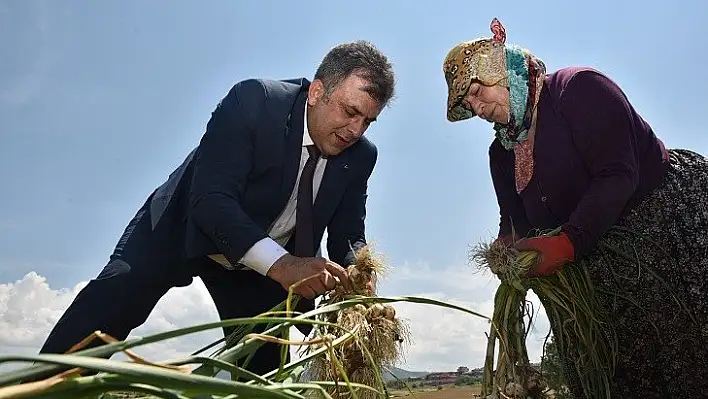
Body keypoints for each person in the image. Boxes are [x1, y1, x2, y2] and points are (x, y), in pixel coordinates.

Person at [38, 40, 395, 377]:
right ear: (317, 92)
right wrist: (285, 265)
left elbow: (348, 233)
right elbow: (212, 201)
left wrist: (361, 274)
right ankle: (38, 389)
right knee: (112, 301)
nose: (355, 130)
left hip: (262, 268)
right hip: (185, 227)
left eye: (367, 121)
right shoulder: (254, 101)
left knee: (264, 366)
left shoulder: (362, 156)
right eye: (350, 112)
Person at [442, 18, 708, 398]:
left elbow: (618, 174)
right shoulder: (501, 153)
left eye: (476, 90)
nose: (475, 105)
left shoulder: (578, 90)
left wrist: (568, 242)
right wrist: (506, 251)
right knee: (605, 371)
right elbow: (515, 221)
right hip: (593, 262)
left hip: (661, 229)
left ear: (502, 71)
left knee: (682, 353)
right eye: (467, 103)